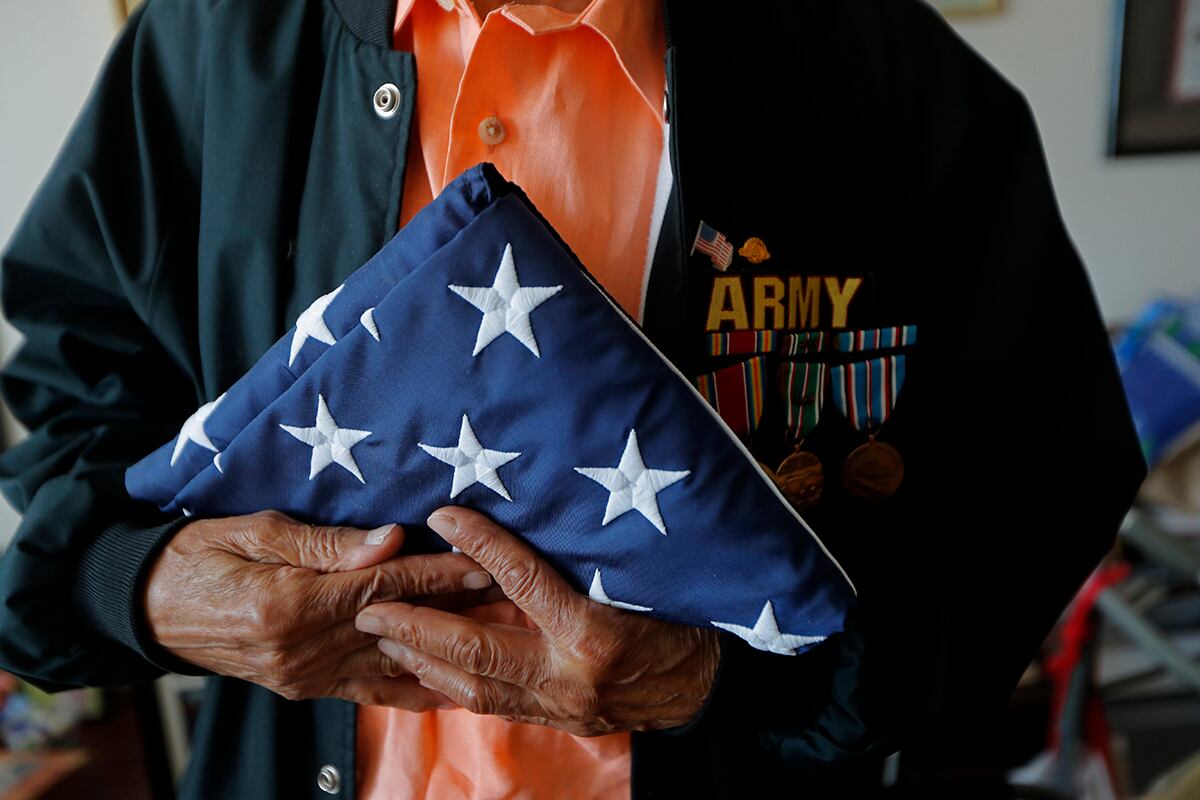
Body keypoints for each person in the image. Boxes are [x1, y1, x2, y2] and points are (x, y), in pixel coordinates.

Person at [0, 0, 1146, 798]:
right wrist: (139, 584)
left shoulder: (889, 79)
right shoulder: (206, 48)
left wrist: (723, 675)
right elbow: (70, 391)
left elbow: (1033, 495)